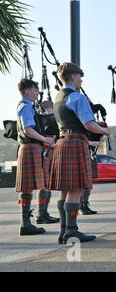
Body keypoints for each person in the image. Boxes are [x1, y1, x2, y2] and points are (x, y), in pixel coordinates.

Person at [49, 62, 111, 244]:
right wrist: (105, 131)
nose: (81, 80)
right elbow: (88, 124)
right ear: (73, 77)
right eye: (80, 77)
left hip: (62, 142)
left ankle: (64, 230)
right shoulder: (77, 97)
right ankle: (71, 231)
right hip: (75, 142)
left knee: (64, 190)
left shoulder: (58, 97)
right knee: (75, 188)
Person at [15, 80, 57, 236]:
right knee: (27, 187)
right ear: (26, 91)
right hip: (30, 148)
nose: (37, 92)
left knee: (31, 186)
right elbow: (28, 130)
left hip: (32, 148)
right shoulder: (25, 107)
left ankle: (26, 223)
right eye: (35, 90)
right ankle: (25, 224)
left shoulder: (28, 107)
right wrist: (45, 139)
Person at [38, 100, 60, 224]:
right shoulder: (42, 121)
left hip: (50, 152)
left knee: (47, 185)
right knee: (45, 185)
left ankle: (44, 213)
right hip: (45, 152)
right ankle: (42, 214)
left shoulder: (50, 121)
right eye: (51, 109)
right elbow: (44, 139)